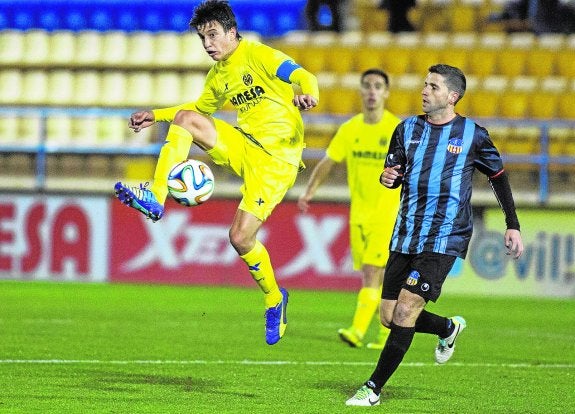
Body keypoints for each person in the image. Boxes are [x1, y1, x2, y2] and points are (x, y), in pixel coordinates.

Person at [114, 0, 319, 346]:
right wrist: (156, 115)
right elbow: (198, 109)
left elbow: (303, 76)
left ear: (232, 31)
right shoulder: (218, 75)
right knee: (186, 120)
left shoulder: (259, 54)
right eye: (202, 38)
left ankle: (274, 298)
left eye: (213, 35)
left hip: (277, 161)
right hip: (244, 145)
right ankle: (156, 196)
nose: (207, 44)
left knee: (240, 238)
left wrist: (308, 94)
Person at [345, 64, 524, 406]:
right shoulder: (406, 129)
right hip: (406, 233)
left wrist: (512, 224)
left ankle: (372, 389)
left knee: (405, 310)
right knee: (389, 316)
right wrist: (388, 177)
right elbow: (394, 172)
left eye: (433, 86)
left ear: (452, 96)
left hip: (445, 236)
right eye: (425, 84)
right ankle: (447, 328)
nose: (424, 91)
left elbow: (498, 177)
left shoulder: (473, 135)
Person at [297, 69, 401, 350]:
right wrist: (309, 190)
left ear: (386, 93)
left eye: (378, 86)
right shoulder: (350, 129)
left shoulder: (396, 130)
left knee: (371, 271)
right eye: (367, 85)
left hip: (387, 213)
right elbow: (328, 161)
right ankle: (385, 335)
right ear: (360, 90)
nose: (372, 91)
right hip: (359, 214)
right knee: (375, 276)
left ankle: (357, 330)